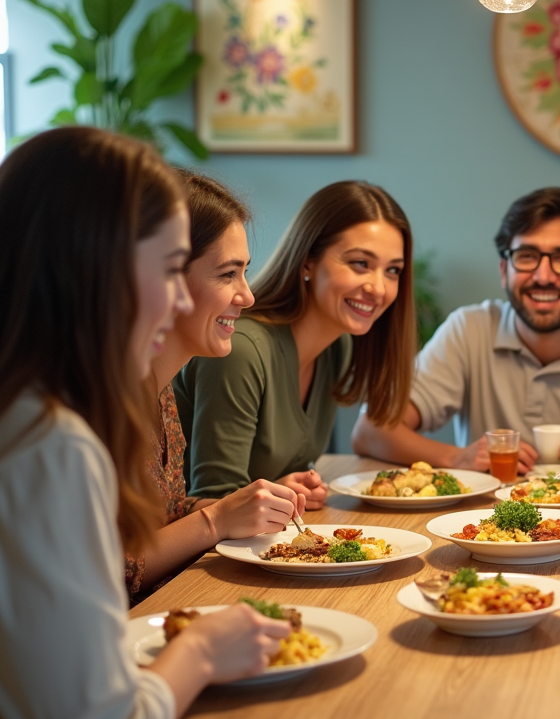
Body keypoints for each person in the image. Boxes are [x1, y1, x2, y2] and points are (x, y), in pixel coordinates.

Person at [0, 127, 291, 719]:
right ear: (92, 269)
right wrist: (203, 651)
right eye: (167, 267)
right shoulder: (53, 445)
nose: (177, 297)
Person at [351, 186, 560, 474]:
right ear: (504, 269)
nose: (542, 275)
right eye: (526, 256)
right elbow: (370, 432)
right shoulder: (469, 332)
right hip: (481, 535)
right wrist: (457, 457)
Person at [175, 181, 416, 503]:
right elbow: (214, 500)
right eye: (361, 263)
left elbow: (257, 489)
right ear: (307, 261)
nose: (379, 288)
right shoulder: (242, 349)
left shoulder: (336, 348)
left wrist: (284, 488)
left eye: (393, 270)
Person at [126, 172, 305, 602]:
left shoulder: (159, 387)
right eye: (228, 274)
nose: (247, 296)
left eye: (244, 273)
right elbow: (111, 571)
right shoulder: (96, 403)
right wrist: (217, 519)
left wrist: (243, 505)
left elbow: (161, 521)